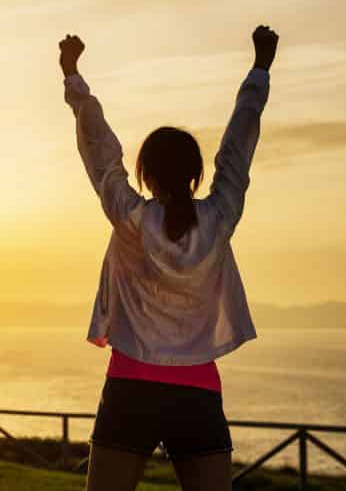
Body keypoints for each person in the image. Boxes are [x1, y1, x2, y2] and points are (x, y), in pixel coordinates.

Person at [58, 25, 279, 491]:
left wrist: (73, 77)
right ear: (196, 174)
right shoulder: (219, 219)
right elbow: (238, 150)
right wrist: (260, 69)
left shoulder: (130, 216)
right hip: (197, 393)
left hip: (130, 386)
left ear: (146, 173)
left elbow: (100, 150)